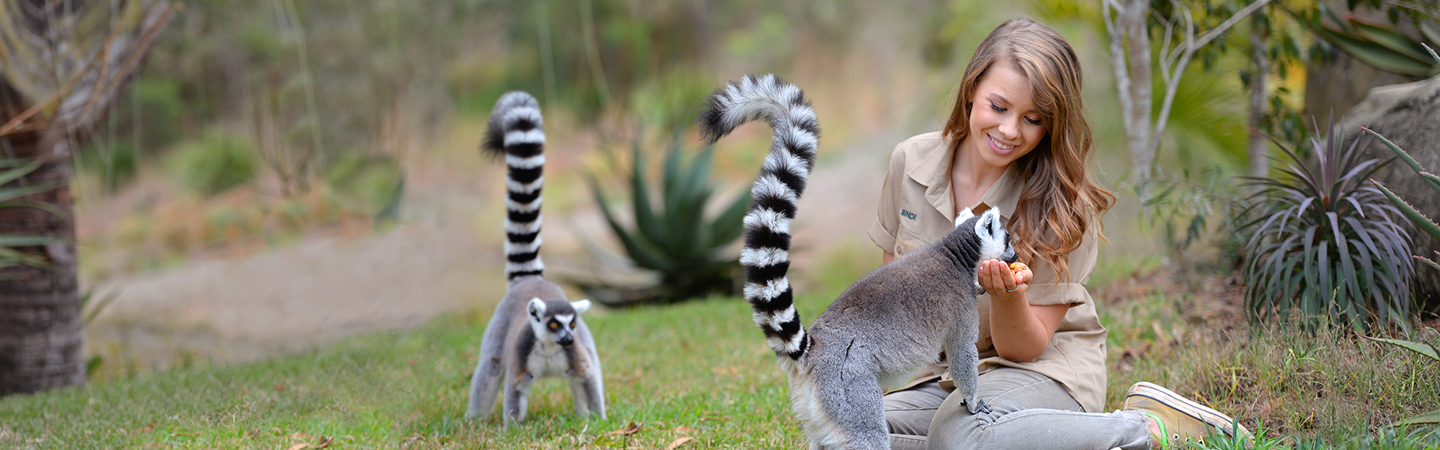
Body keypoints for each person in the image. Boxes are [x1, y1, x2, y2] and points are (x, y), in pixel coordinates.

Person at [868, 17, 1251, 450]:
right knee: (844, 434)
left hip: (1040, 372)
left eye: (1032, 118)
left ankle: (1148, 431)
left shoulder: (1063, 205)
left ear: (1052, 123)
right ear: (971, 88)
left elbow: (1022, 350)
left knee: (959, 435)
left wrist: (1007, 295)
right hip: (946, 380)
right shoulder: (910, 162)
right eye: (998, 106)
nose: (1010, 130)